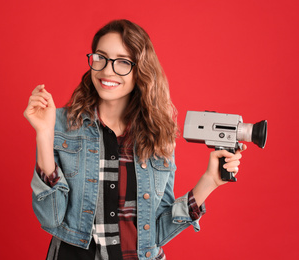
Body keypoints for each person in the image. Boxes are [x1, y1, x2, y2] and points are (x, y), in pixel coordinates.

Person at [24, 19, 245, 260]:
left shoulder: (158, 134)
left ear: (140, 69)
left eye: (122, 62)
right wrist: (44, 135)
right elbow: (50, 217)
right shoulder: (61, 124)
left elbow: (156, 232)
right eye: (101, 57)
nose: (108, 70)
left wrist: (210, 181)